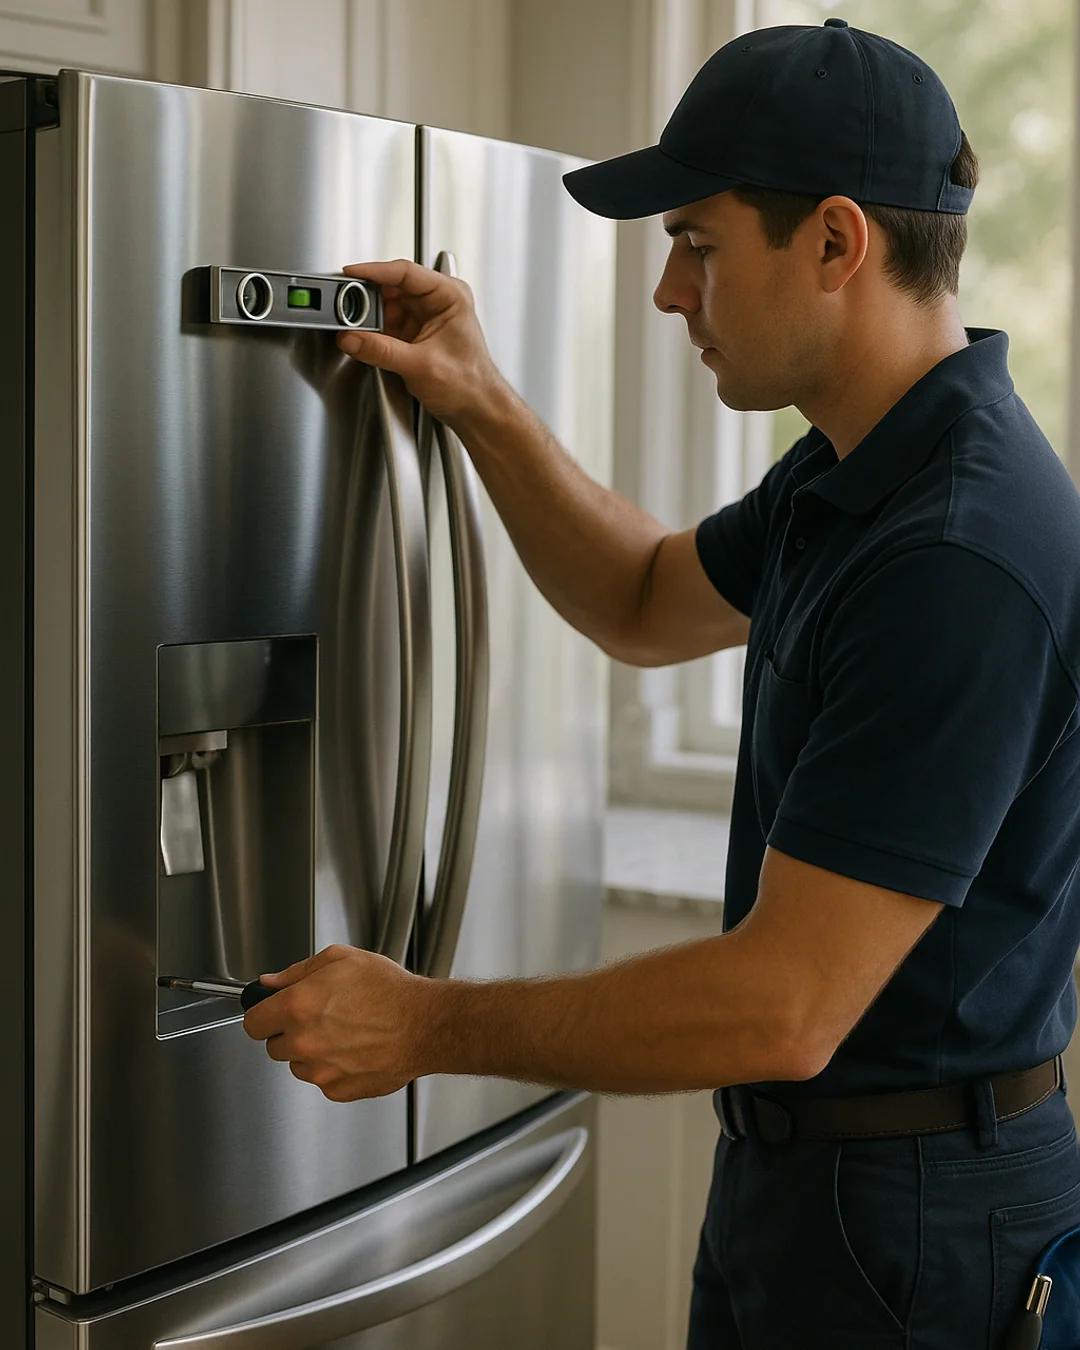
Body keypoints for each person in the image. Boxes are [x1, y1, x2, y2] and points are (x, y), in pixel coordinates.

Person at [243, 17, 1080, 1347]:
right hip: (804, 1176)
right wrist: (479, 397)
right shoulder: (856, 469)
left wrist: (425, 1022)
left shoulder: (960, 553)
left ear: (836, 242)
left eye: (697, 243)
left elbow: (785, 1005)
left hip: (919, 1224)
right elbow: (639, 596)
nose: (667, 293)